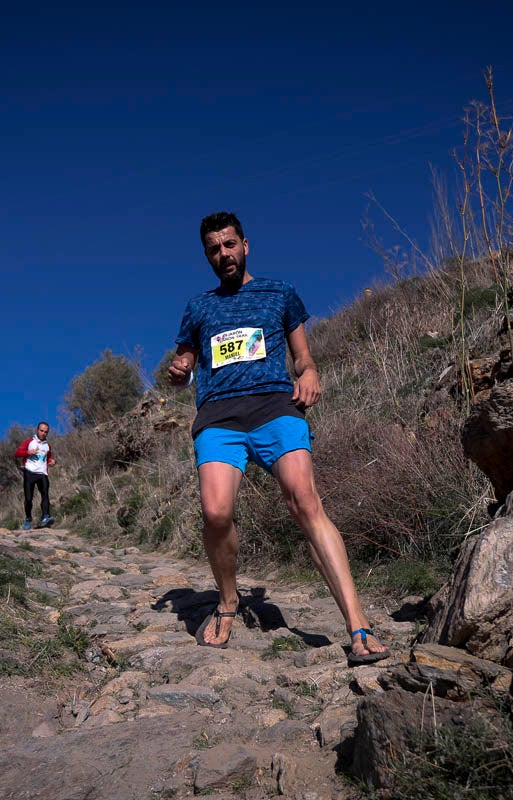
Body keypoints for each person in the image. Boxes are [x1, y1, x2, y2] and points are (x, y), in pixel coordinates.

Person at [167, 211, 389, 664]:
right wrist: (178, 371)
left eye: (229, 244)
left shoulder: (280, 293)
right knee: (216, 512)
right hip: (219, 417)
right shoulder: (199, 307)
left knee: (305, 501)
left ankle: (358, 625)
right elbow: (182, 364)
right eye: (213, 248)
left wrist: (310, 376)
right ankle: (228, 602)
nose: (223, 254)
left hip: (274, 408)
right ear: (206, 255)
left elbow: (305, 360)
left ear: (245, 244)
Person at [14, 422, 56, 530]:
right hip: (30, 473)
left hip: (42, 473)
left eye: (46, 432)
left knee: (45, 494)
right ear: (37, 430)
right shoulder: (29, 442)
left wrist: (51, 462)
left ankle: (46, 516)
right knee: (28, 498)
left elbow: (48, 458)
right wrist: (28, 452)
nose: (43, 433)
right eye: (41, 431)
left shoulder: (47, 446)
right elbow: (17, 453)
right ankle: (28, 518)